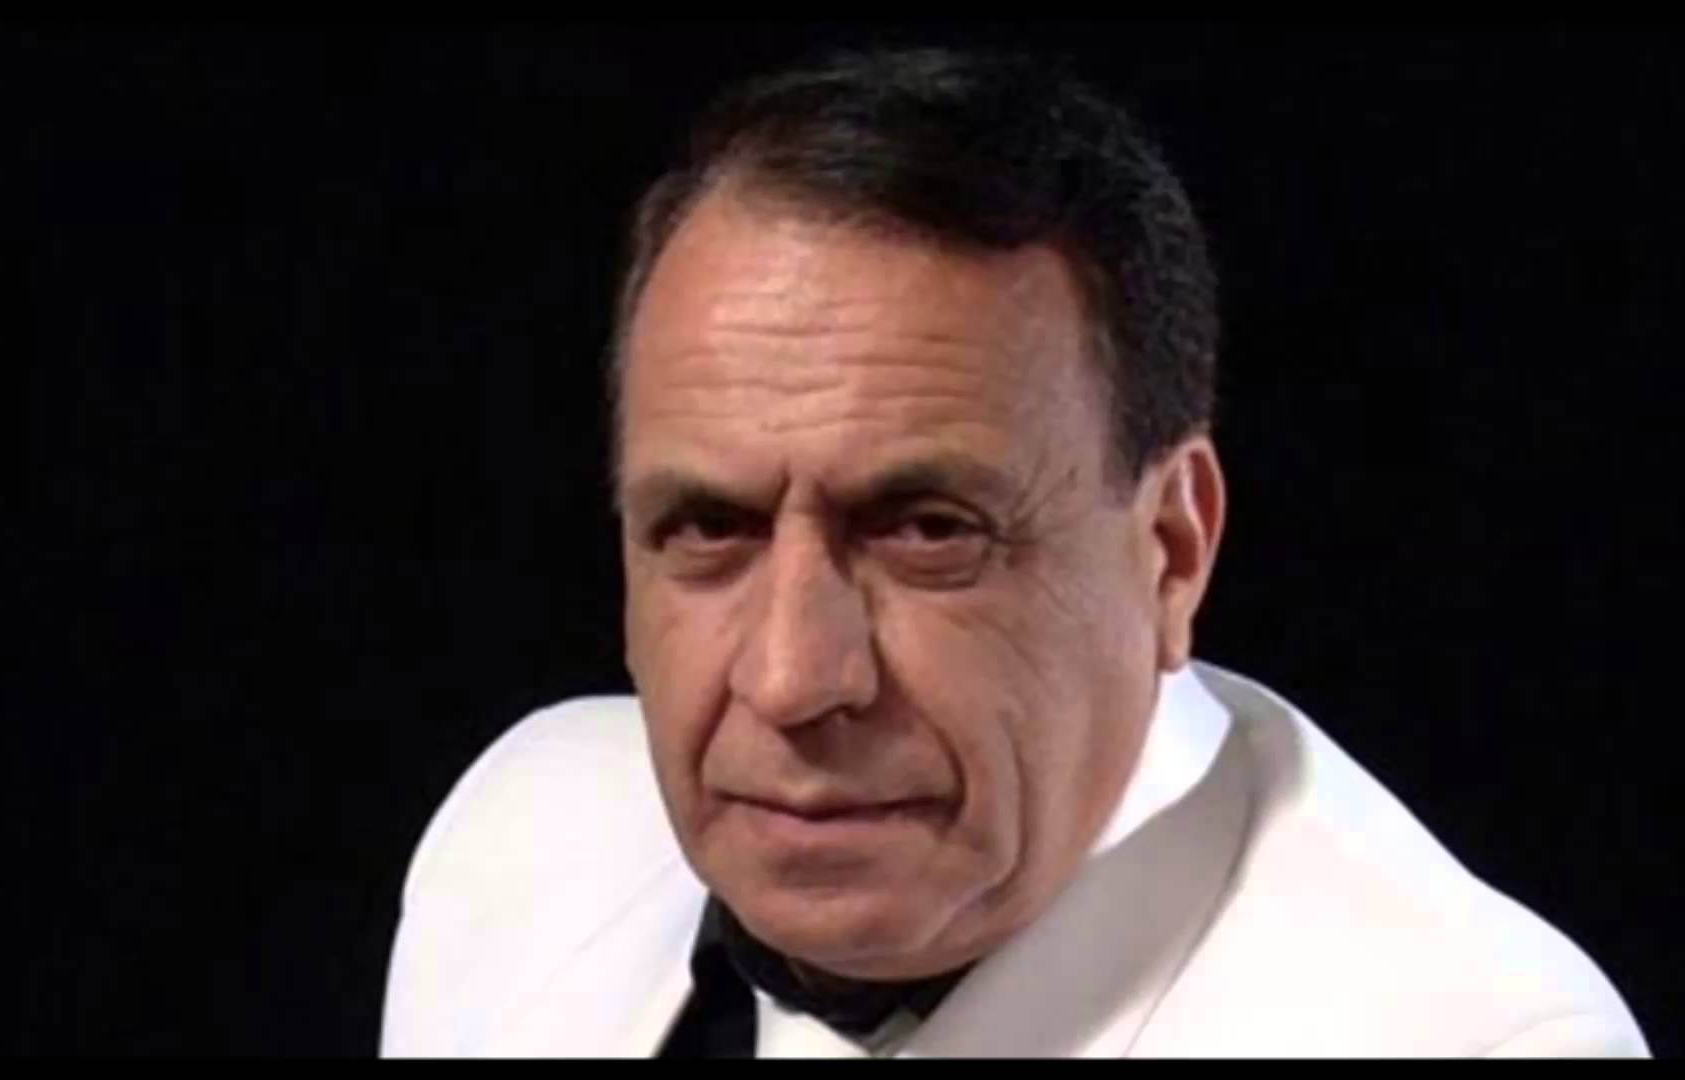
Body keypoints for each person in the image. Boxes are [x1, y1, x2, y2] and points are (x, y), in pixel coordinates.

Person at [378, 45, 1650, 1058]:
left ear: (1171, 551)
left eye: (928, 531)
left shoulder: (1479, 1041)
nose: (792, 678)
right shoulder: (521, 839)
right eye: (710, 528)